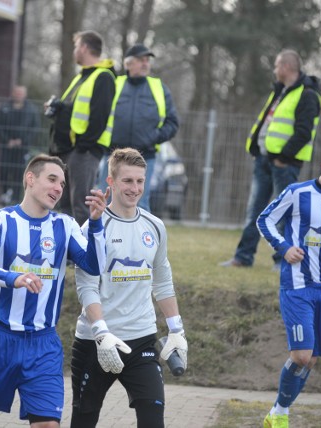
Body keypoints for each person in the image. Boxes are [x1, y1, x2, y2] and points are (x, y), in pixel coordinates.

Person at [0, 154, 109, 428]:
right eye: (52, 179)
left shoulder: (64, 225)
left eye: (62, 184)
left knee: (48, 424)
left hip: (43, 345)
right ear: (30, 179)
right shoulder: (0, 219)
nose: (58, 188)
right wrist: (12, 278)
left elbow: (94, 265)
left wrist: (96, 223)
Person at [71, 148, 187, 428]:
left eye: (140, 181)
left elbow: (162, 280)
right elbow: (87, 287)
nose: (134, 188)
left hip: (142, 340)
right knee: (83, 420)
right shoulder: (94, 227)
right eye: (127, 181)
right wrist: (101, 334)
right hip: (96, 342)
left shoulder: (155, 226)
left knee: (152, 419)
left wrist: (176, 330)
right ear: (110, 182)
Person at [257, 137, 321, 428]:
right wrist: (283, 247)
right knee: (301, 354)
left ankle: (277, 412)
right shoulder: (298, 193)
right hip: (296, 285)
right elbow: (265, 220)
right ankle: (281, 416)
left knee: (311, 360)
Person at [220, 49, 321, 269]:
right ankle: (243, 257)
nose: (275, 70)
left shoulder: (307, 94)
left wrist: (283, 157)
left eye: (276, 66)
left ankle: (283, 261)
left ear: (286, 67)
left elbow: (304, 132)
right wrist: (257, 148)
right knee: (254, 211)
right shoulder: (280, 91)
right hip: (264, 161)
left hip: (284, 164)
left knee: (285, 213)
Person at [97, 44, 179, 212]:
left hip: (144, 156)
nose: (145, 64)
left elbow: (172, 122)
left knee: (139, 203)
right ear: (128, 64)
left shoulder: (159, 88)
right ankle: (102, 237)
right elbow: (99, 114)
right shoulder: (115, 84)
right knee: (105, 199)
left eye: (147, 60)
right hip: (113, 156)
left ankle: (140, 238)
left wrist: (153, 138)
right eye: (140, 60)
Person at [47, 30, 115, 226]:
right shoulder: (82, 77)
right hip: (70, 150)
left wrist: (83, 146)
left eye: (77, 46)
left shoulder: (103, 77)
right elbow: (74, 108)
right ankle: (68, 254)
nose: (75, 51)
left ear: (84, 48)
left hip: (83, 151)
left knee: (80, 205)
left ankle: (84, 254)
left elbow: (99, 116)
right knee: (65, 204)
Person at [0, 85, 40, 204]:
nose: (19, 95)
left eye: (21, 93)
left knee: (19, 172)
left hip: (22, 148)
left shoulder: (31, 110)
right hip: (7, 146)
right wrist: (6, 140)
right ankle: (5, 193)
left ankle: (15, 198)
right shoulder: (4, 108)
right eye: (17, 93)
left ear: (25, 94)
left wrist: (23, 141)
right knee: (4, 169)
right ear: (13, 93)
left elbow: (34, 128)